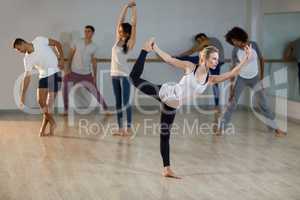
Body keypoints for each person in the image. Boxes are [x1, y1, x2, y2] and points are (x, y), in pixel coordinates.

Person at [130, 38, 251, 178]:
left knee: (165, 136)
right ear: (204, 58)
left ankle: (167, 169)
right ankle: (145, 50)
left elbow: (232, 73)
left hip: (172, 105)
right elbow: (169, 59)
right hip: (166, 92)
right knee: (134, 79)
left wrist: (246, 59)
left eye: (217, 59)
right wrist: (154, 47)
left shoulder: (210, 79)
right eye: (214, 59)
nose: (216, 61)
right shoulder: (190, 67)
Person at [216, 27, 286, 137]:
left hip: (255, 78)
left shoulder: (254, 45)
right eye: (233, 41)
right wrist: (231, 89)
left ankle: (275, 128)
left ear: (241, 37)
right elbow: (233, 69)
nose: (235, 43)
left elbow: (261, 59)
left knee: (264, 104)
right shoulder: (235, 50)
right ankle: (221, 128)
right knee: (232, 104)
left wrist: (262, 78)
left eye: (236, 40)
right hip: (241, 79)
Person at [13, 37, 64, 136]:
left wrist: (61, 58)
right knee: (41, 102)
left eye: (18, 49)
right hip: (43, 76)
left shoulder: (39, 40)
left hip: (54, 73)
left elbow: (57, 43)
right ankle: (52, 122)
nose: (19, 51)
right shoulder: (27, 59)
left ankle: (43, 128)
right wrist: (23, 95)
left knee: (48, 106)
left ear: (23, 43)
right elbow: (27, 77)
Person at [62, 25, 109, 115]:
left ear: (92, 33)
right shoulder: (77, 41)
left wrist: (95, 76)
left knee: (95, 92)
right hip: (73, 73)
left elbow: (94, 62)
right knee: (65, 88)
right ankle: (66, 110)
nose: (86, 33)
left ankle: (106, 109)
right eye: (85, 31)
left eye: (88, 31)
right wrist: (67, 69)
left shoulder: (95, 46)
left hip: (86, 74)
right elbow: (70, 55)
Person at [177, 33, 225, 120]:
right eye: (198, 42)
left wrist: (180, 56)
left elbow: (192, 50)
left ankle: (217, 106)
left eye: (200, 40)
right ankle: (174, 58)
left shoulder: (212, 40)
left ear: (204, 37)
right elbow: (195, 51)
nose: (200, 42)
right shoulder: (206, 46)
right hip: (211, 60)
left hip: (217, 61)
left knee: (215, 84)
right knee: (192, 59)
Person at [111, 0, 137, 136]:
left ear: (127, 33)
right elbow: (120, 20)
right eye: (119, 31)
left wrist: (134, 8)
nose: (119, 32)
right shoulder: (117, 40)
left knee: (126, 102)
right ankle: (120, 128)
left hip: (124, 76)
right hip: (114, 75)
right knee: (118, 102)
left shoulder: (130, 43)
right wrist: (126, 6)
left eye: (122, 31)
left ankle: (129, 128)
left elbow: (134, 24)